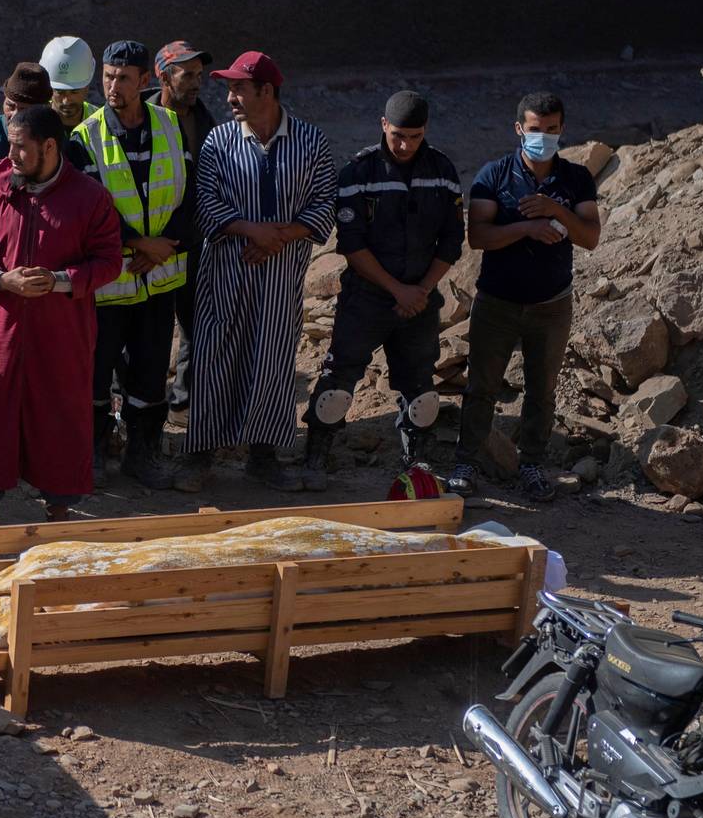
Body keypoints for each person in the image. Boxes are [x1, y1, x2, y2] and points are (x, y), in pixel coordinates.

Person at [0, 104, 123, 525]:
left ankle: (59, 511)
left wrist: (60, 279)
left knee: (60, 414)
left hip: (61, 332)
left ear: (49, 146)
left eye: (20, 148)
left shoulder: (90, 198)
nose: (11, 157)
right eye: (10, 147)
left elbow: (109, 261)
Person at [177, 51, 337, 492]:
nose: (230, 97)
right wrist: (251, 231)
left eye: (238, 88)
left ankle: (263, 456)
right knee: (214, 354)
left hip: (281, 275)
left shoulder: (310, 141)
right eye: (228, 88)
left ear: (266, 91)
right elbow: (204, 201)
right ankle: (200, 456)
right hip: (225, 271)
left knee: (271, 357)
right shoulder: (218, 142)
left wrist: (279, 238)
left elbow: (325, 202)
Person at [296, 91, 465, 491]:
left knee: (421, 392)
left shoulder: (442, 170)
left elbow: (452, 242)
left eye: (415, 136)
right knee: (336, 386)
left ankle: (416, 462)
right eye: (398, 136)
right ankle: (317, 454)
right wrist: (397, 291)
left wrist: (420, 291)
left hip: (420, 300)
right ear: (383, 125)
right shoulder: (358, 173)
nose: (406, 145)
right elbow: (352, 245)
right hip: (367, 298)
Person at [446, 91, 601, 502]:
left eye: (552, 130)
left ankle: (531, 464)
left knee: (542, 389)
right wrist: (526, 228)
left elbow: (590, 237)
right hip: (497, 301)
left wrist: (556, 210)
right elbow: (478, 236)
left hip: (552, 303)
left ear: (562, 129)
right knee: (482, 385)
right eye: (535, 130)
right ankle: (467, 461)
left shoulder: (576, 179)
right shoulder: (493, 175)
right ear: (519, 129)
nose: (544, 137)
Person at [0, 62, 92, 459]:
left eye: (26, 107)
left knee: (47, 389)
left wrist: (56, 277)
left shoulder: (70, 151)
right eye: (10, 104)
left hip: (48, 301)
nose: (15, 115)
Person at [73, 40, 194, 490]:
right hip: (109, 284)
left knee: (148, 375)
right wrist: (142, 245)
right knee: (94, 374)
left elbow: (187, 192)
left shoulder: (170, 125)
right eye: (107, 76)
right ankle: (93, 454)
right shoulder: (85, 136)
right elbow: (88, 211)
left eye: (123, 77)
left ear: (145, 81)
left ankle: (142, 455)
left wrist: (166, 244)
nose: (113, 85)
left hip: (158, 281)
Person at [154, 41, 217, 415]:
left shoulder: (206, 123)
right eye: (187, 74)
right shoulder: (137, 119)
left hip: (192, 242)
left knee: (194, 323)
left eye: (199, 75)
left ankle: (183, 405)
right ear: (164, 76)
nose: (196, 83)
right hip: (145, 247)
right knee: (146, 330)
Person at [40, 36, 96, 131]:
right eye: (59, 92)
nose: (66, 101)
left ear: (87, 86)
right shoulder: (36, 122)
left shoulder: (101, 121)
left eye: (74, 92)